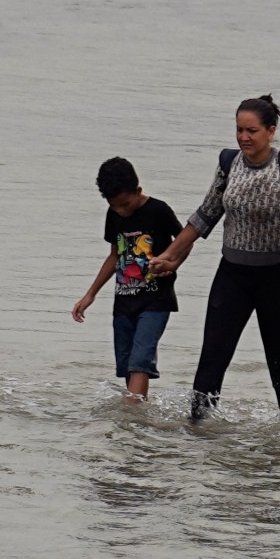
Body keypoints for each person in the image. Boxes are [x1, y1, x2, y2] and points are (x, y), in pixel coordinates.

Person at [147, 95, 280, 423]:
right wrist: (170, 256)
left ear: (271, 131)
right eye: (239, 130)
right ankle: (198, 428)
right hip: (234, 275)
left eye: (251, 130)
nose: (243, 137)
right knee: (212, 357)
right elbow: (203, 216)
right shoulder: (229, 164)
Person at [71, 157, 184, 400]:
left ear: (138, 191)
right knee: (126, 364)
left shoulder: (158, 210)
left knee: (140, 361)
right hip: (123, 302)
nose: (121, 211)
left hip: (156, 300)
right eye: (115, 206)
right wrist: (90, 294)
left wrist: (172, 263)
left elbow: (185, 241)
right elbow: (114, 256)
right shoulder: (113, 215)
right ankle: (138, 416)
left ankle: (133, 414)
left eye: (125, 204)